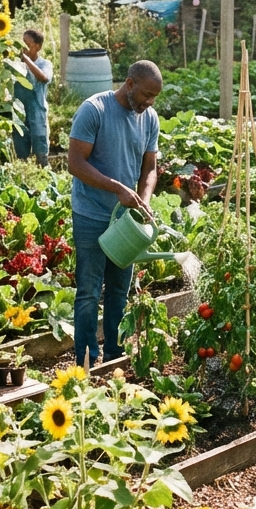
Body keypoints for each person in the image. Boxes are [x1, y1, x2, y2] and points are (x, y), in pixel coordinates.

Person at [67, 60, 162, 368]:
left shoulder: (149, 118)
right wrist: (118, 188)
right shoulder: (95, 109)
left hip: (125, 220)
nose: (149, 102)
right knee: (89, 290)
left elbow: (150, 168)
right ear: (130, 83)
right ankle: (86, 359)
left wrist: (144, 198)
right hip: (92, 213)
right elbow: (75, 164)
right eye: (146, 94)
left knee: (120, 289)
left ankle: (113, 356)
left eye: (154, 98)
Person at [12, 28, 53, 167]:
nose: (23, 48)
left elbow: (44, 78)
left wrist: (27, 61)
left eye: (27, 45)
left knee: (40, 144)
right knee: (20, 146)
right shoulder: (15, 65)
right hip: (19, 112)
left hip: (37, 111)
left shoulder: (45, 64)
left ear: (38, 46)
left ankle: (44, 175)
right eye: (22, 44)